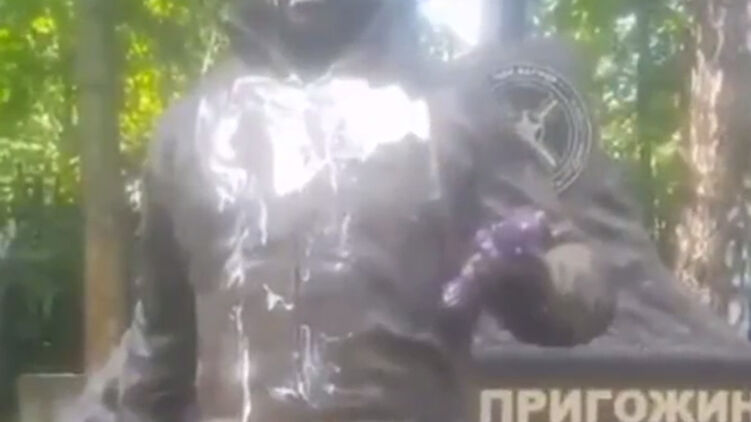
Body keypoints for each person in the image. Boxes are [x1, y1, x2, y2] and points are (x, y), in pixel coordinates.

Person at [69, 0, 746, 421]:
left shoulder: (454, 111)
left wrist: (537, 279)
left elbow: (583, 276)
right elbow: (160, 351)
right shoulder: (190, 131)